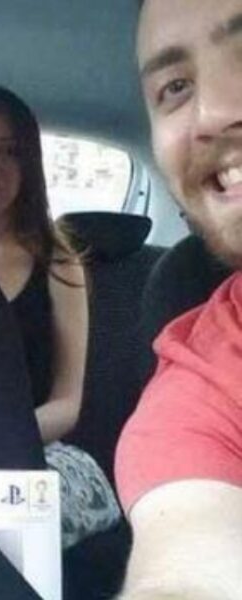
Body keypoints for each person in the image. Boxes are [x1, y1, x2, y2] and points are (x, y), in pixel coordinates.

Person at [0, 85, 121, 547]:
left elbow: (67, 402)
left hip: (28, 450)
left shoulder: (58, 262)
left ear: (30, 167)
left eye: (9, 152)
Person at [115, 0, 242, 598]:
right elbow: (185, 571)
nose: (212, 113)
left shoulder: (62, 266)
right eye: (175, 87)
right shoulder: (199, 388)